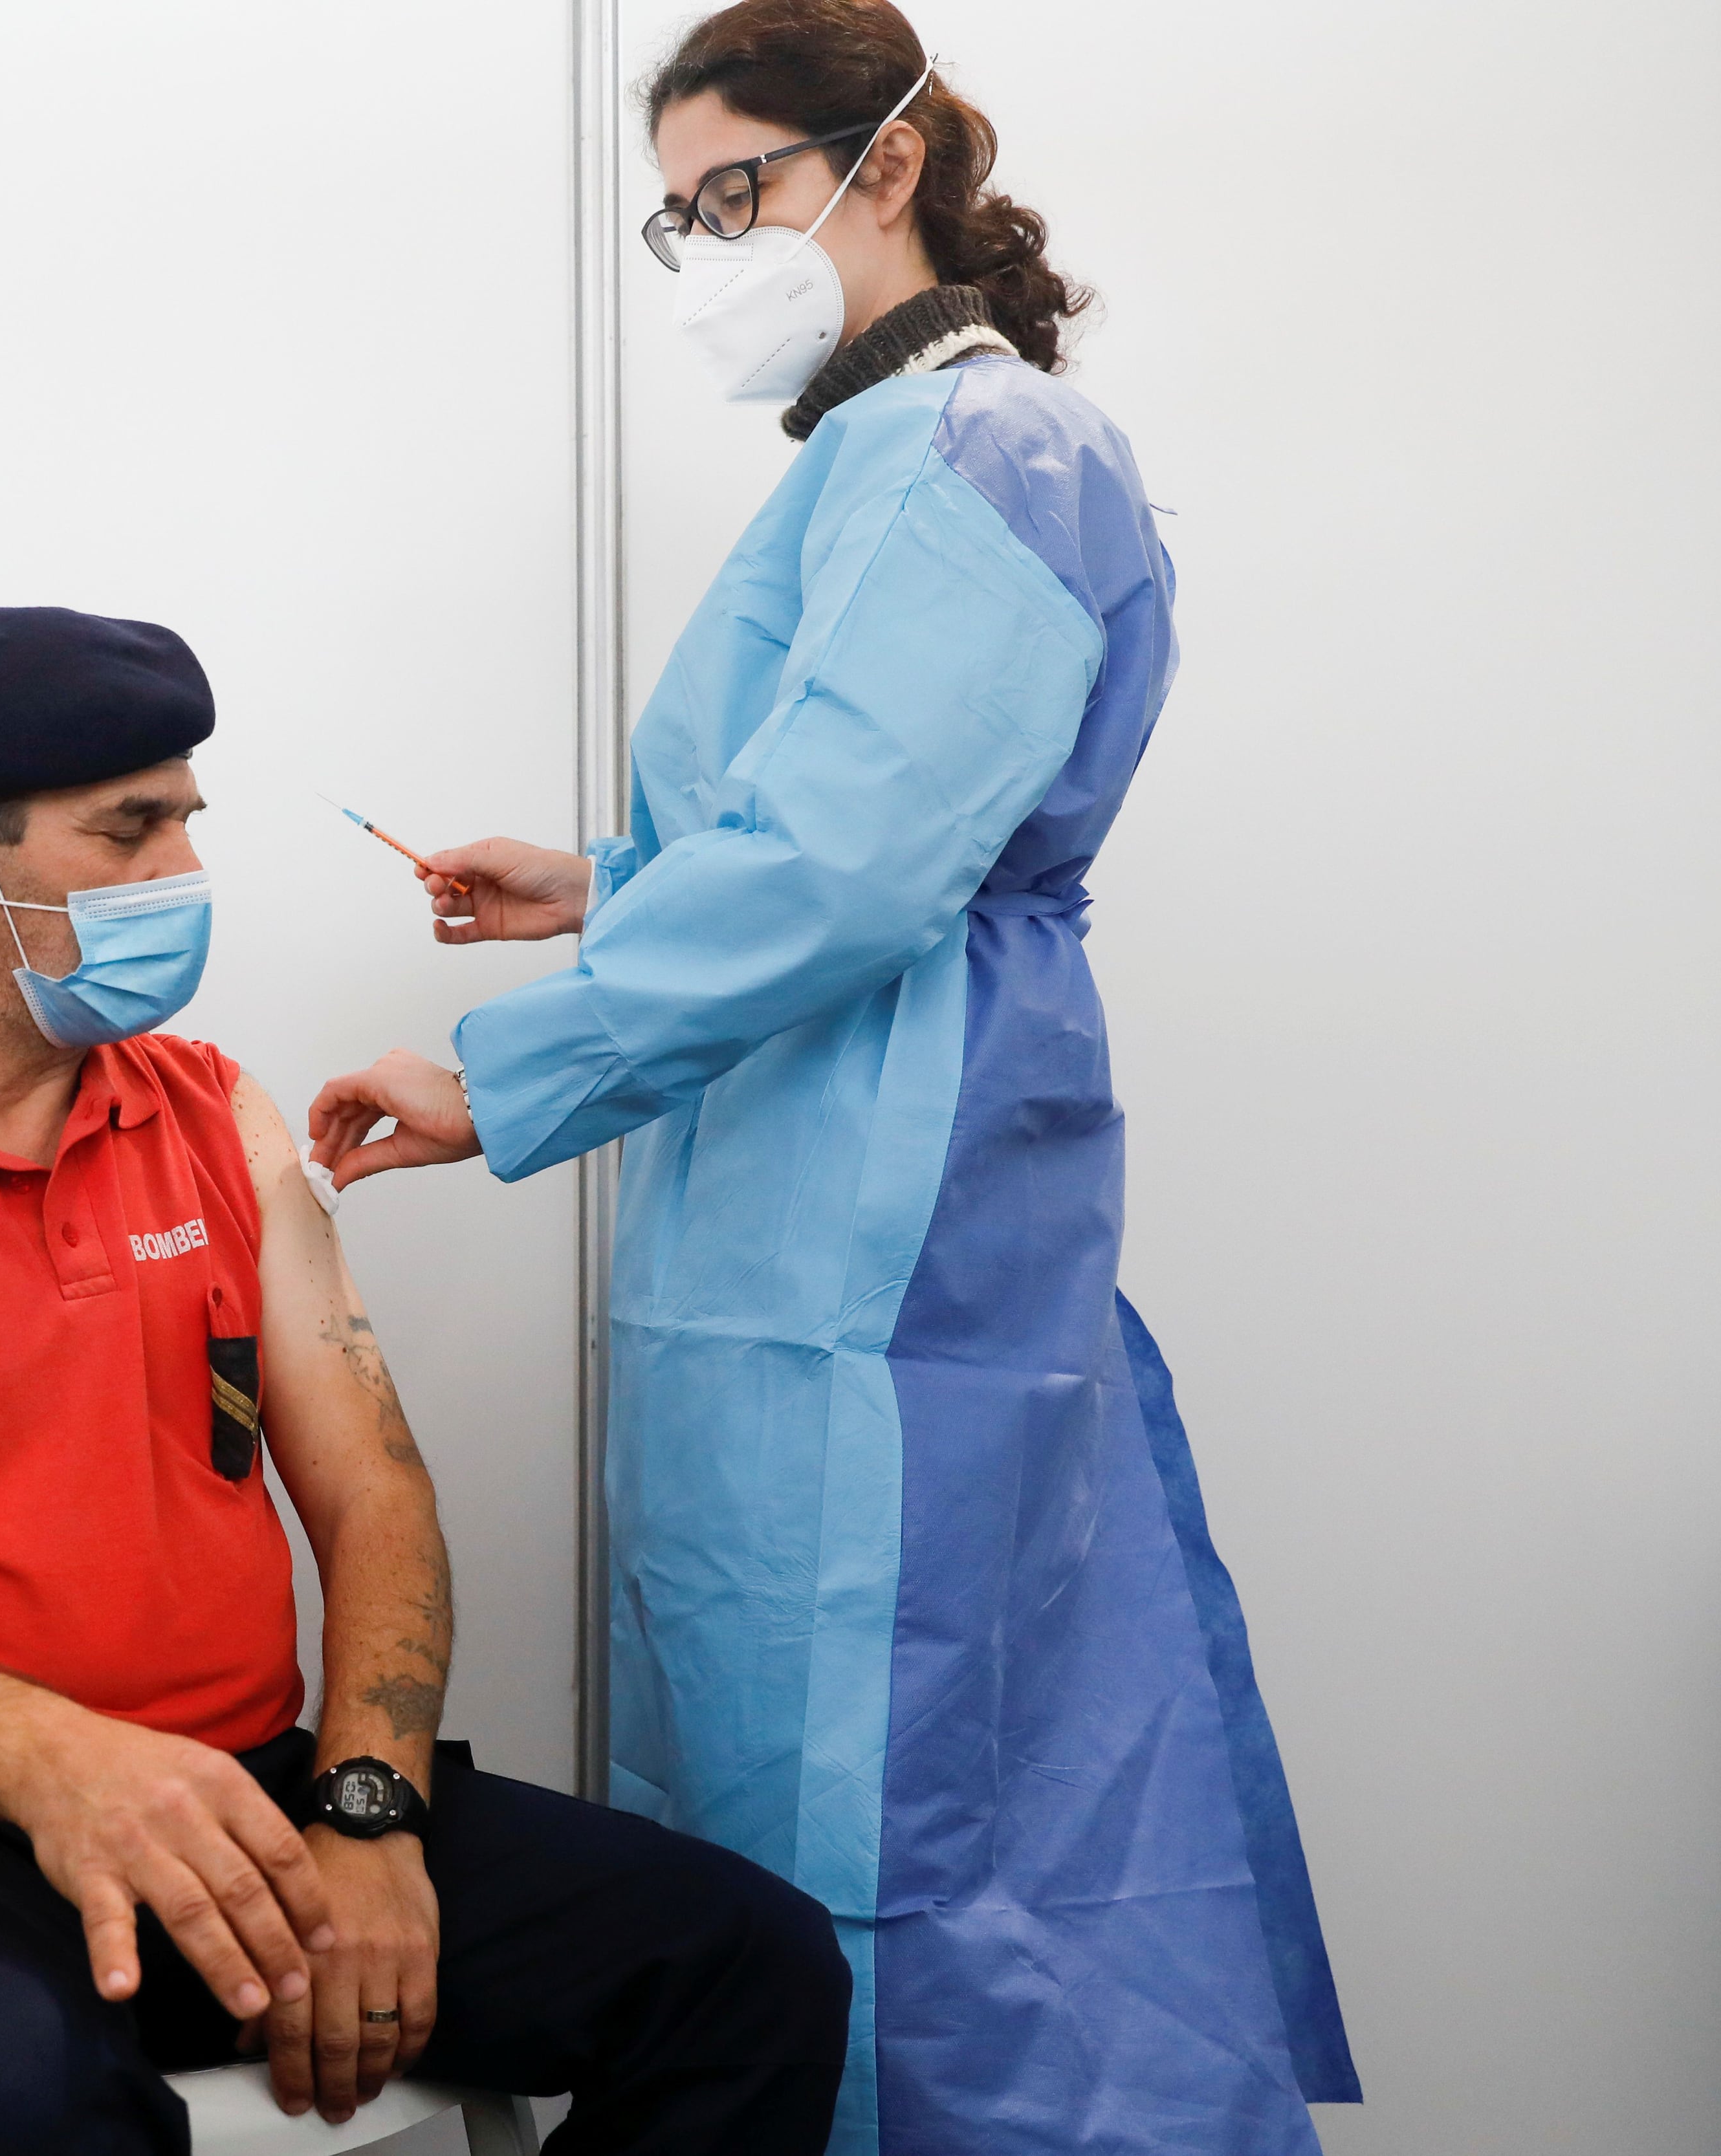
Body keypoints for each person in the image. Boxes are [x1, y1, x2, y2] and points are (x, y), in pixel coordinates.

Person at [303, 8, 1361, 2153]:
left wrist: (503, 1083)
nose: (706, 250)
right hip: (788, 1228)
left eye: (737, 197)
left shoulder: (1003, 450)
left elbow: (861, 867)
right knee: (780, 1797)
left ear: (886, 169)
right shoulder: (876, 459)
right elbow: (829, 830)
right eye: (676, 214)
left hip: (892, 1259)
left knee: (917, 1824)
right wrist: (602, 882)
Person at [0, 605, 851, 2156]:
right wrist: (65, 1764)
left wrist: (366, 1808)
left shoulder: (213, 1117)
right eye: (129, 829)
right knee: (11, 2103)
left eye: (186, 822)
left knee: (747, 1967)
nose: (181, 875)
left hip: (245, 1801)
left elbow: (372, 1485)